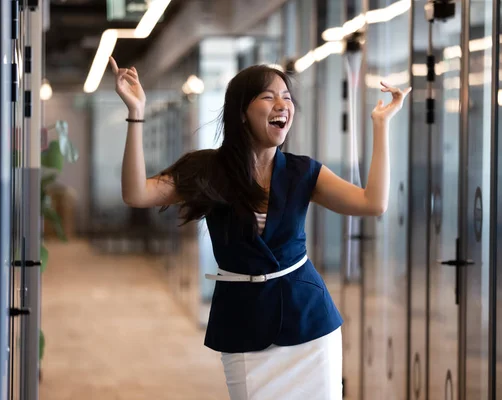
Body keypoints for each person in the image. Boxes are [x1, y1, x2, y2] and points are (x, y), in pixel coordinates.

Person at [109, 56, 410, 400]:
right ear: (241, 111)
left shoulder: (303, 172)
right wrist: (136, 113)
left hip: (309, 324)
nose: (282, 105)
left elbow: (373, 203)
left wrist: (381, 125)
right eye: (268, 97)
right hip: (243, 323)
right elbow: (136, 193)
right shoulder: (209, 168)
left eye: (287, 97)